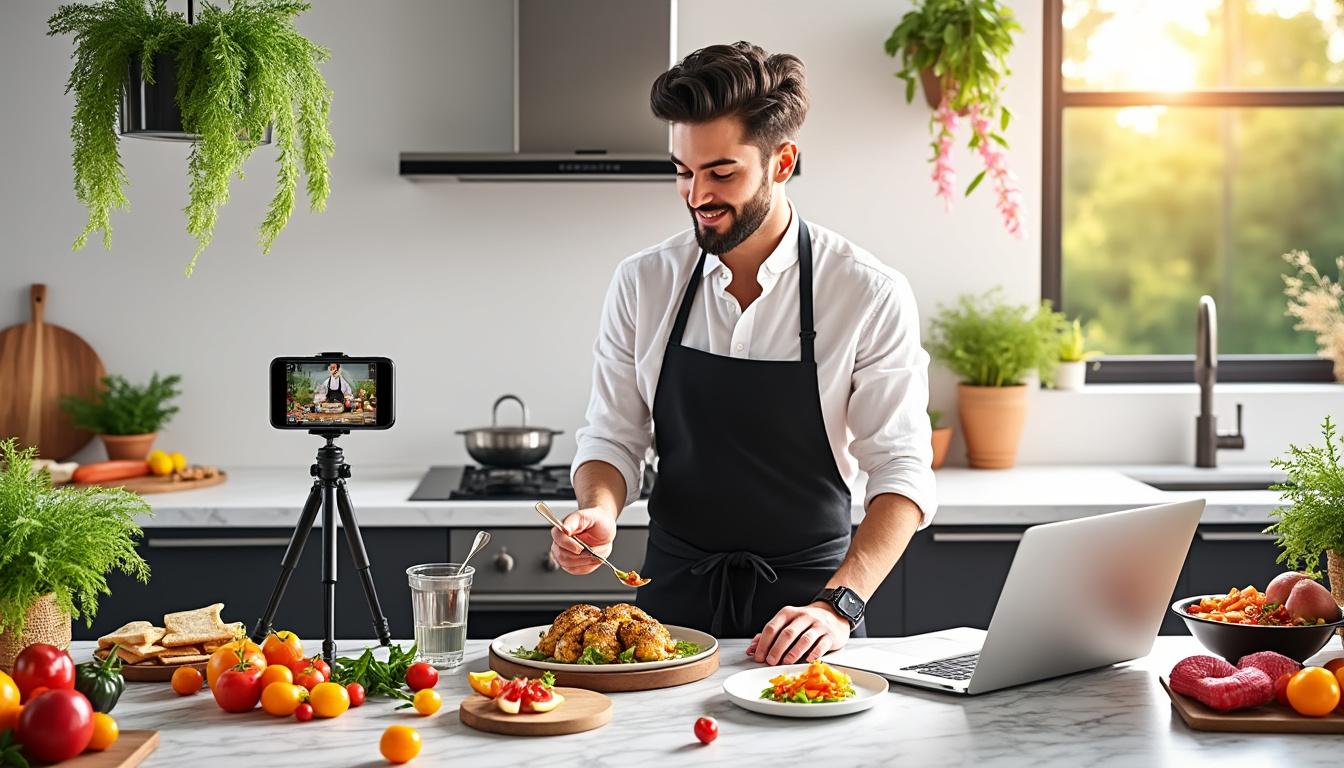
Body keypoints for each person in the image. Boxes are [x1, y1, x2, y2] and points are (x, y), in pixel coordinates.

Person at [552, 42, 937, 666]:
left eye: (721, 173)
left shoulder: (866, 291)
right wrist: (599, 509)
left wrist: (840, 606)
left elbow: (901, 471)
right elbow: (612, 436)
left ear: (782, 162)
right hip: (668, 620)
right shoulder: (643, 282)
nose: (696, 194)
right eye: (682, 171)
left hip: (812, 618)